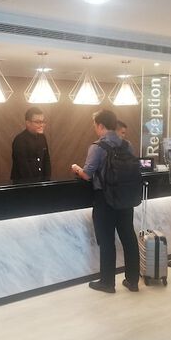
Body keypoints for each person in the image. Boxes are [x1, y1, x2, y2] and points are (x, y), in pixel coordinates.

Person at [71, 109, 140, 293]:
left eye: (95, 125)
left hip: (105, 199)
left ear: (100, 125)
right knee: (129, 237)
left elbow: (87, 174)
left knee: (107, 240)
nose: (95, 128)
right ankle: (133, 280)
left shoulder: (98, 147)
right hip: (125, 197)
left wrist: (76, 168)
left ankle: (107, 283)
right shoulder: (127, 145)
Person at [11, 107, 51, 183]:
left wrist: (47, 181)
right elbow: (23, 167)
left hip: (41, 182)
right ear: (28, 123)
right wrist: (34, 185)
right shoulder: (20, 140)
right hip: (23, 184)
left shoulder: (42, 137)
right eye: (38, 122)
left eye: (42, 122)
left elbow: (46, 160)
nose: (41, 125)